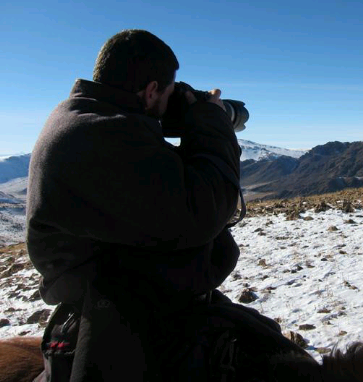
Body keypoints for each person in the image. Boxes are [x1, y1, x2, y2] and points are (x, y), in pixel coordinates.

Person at [27, 29, 312, 382]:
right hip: (115, 299)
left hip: (124, 282)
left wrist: (179, 107)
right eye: (165, 92)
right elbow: (204, 210)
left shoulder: (86, 115)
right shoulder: (101, 134)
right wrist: (211, 121)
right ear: (149, 90)